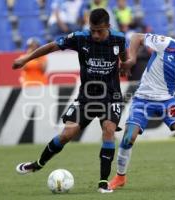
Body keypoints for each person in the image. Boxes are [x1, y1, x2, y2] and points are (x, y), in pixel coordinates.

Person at [13, 8, 127, 193]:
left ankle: (103, 182)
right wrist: (26, 58)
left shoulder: (118, 39)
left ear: (108, 26)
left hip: (111, 96)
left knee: (108, 130)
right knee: (68, 133)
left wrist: (126, 64)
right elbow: (51, 46)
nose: (95, 34)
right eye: (92, 30)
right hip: (86, 97)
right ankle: (38, 164)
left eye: (99, 30)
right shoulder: (81, 37)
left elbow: (124, 57)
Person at [109, 30, 175, 190]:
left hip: (167, 102)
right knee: (129, 137)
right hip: (143, 99)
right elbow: (137, 37)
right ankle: (120, 177)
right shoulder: (166, 43)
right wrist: (132, 59)